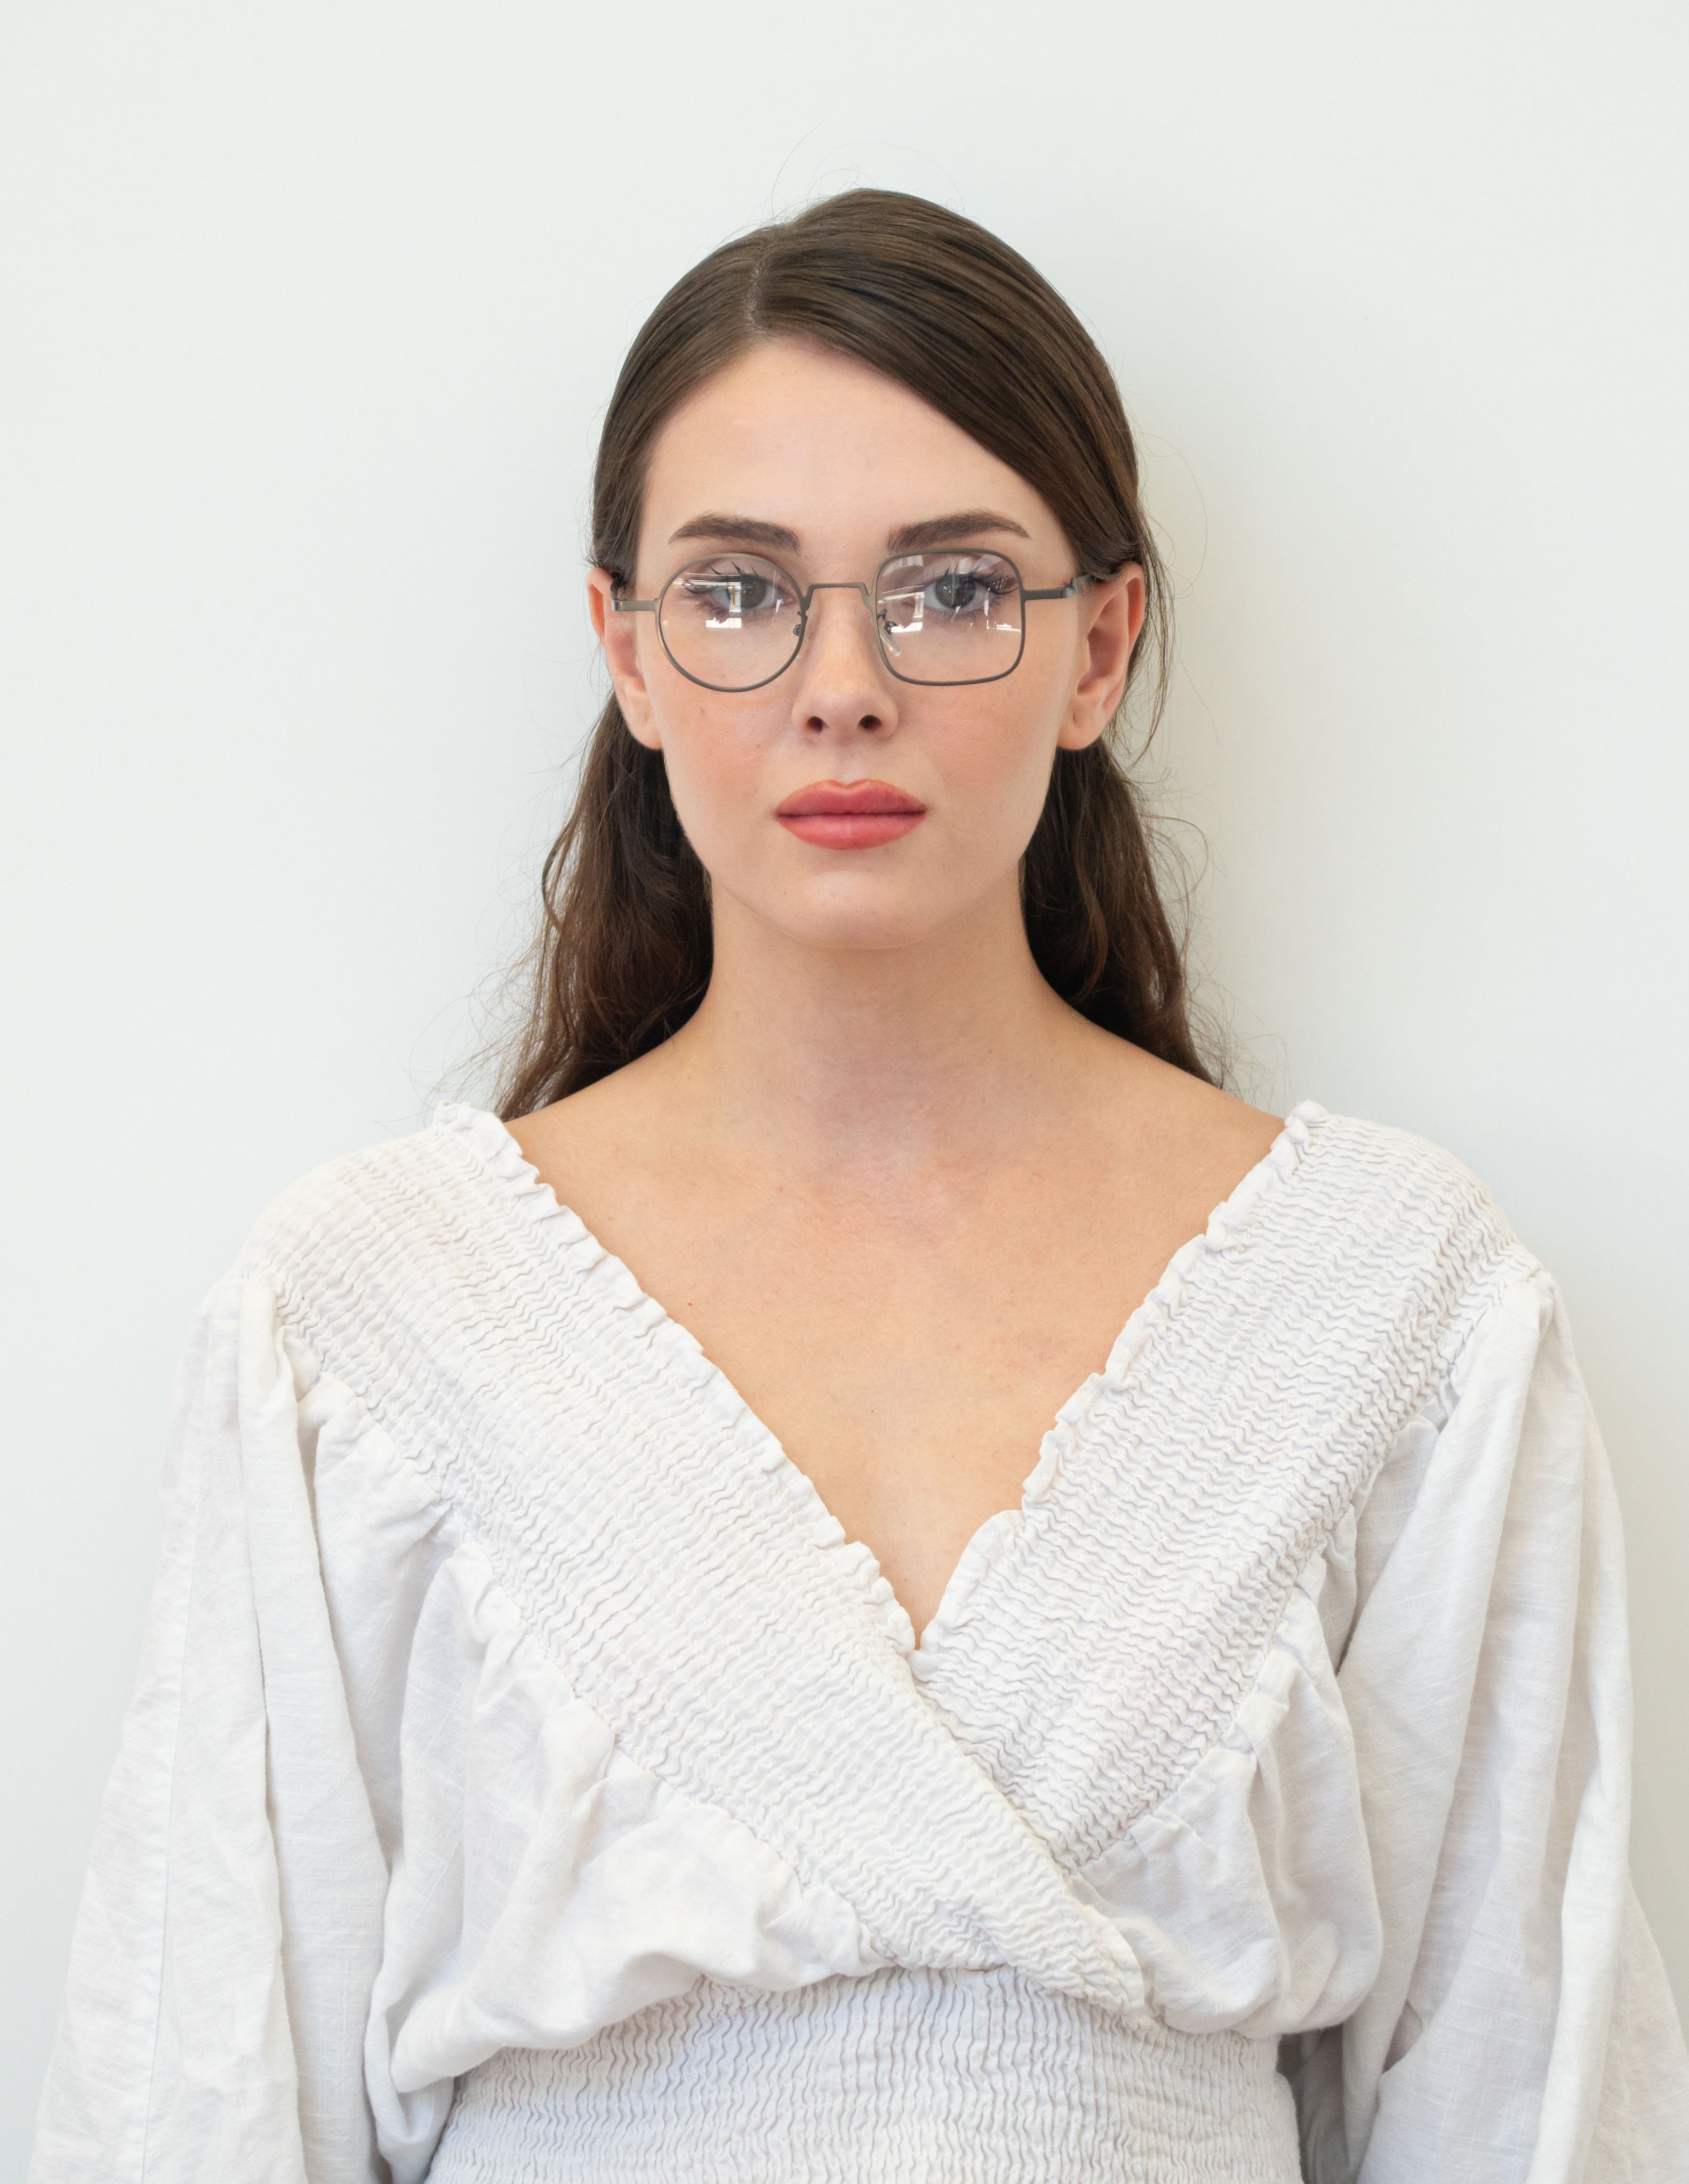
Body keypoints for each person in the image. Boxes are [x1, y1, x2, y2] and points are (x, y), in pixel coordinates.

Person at [29, 190, 1688, 2184]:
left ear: (1101, 647)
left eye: (952, 587)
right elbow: (201, 2097)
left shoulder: (1395, 1305)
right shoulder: (365, 1317)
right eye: (738, 592)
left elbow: (1528, 2097)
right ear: (627, 655)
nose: (843, 685)